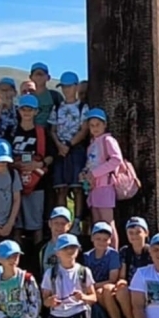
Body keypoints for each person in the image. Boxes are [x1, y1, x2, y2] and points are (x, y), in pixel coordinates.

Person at [12, 93, 53, 247]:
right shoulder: (11, 131)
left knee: (36, 223)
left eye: (30, 109)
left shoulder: (42, 132)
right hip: (14, 182)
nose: (27, 112)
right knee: (16, 223)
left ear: (36, 111)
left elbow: (51, 156)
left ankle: (37, 255)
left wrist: (39, 164)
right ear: (19, 110)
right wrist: (15, 165)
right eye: (24, 109)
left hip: (37, 183)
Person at [49, 71, 89, 224]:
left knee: (77, 187)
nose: (66, 90)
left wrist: (69, 144)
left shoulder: (83, 107)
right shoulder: (57, 107)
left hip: (76, 149)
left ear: (76, 87)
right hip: (60, 150)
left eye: (69, 86)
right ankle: (62, 220)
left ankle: (77, 221)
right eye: (64, 87)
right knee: (61, 188)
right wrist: (59, 145)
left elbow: (84, 130)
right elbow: (52, 130)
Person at [81, 108, 122, 247]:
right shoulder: (92, 144)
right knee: (98, 224)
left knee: (108, 223)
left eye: (98, 124)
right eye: (92, 125)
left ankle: (114, 253)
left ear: (104, 125)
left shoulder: (108, 140)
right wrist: (85, 173)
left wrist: (95, 173)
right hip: (93, 188)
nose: (95, 128)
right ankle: (101, 252)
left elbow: (116, 160)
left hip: (105, 186)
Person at [84, 222, 123, 318]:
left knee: (103, 291)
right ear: (92, 238)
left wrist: (93, 286)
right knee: (97, 294)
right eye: (98, 239)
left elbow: (112, 279)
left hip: (107, 286)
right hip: (93, 288)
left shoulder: (113, 254)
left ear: (110, 240)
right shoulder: (86, 256)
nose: (101, 242)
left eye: (105, 239)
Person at [117, 217, 152, 318]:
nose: (134, 236)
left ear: (146, 233)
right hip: (131, 286)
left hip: (147, 286)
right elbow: (122, 275)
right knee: (121, 291)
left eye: (138, 232)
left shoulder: (151, 250)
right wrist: (121, 281)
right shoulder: (124, 251)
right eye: (131, 233)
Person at [38, 206, 73, 278]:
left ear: (69, 226)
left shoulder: (74, 248)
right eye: (56, 223)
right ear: (50, 224)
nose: (59, 226)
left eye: (63, 224)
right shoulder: (41, 248)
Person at [29, 62, 62, 127]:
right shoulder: (27, 97)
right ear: (31, 77)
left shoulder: (55, 96)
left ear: (48, 77)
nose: (39, 77)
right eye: (36, 74)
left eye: (41, 74)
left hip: (50, 131)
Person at [0, 77, 19, 142]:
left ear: (15, 93)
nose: (5, 93)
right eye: (2, 90)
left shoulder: (19, 110)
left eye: (8, 90)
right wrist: (0, 108)